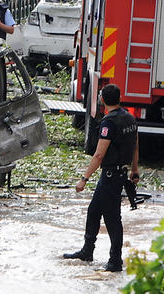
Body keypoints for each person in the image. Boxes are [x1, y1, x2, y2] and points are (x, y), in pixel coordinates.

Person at [63, 84, 139, 272]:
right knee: (94, 211)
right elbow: (136, 146)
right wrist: (134, 170)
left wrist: (84, 178)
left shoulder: (109, 123)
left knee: (112, 218)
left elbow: (99, 155)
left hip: (111, 175)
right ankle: (87, 251)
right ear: (119, 98)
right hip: (119, 173)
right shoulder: (129, 118)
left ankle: (115, 260)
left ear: (103, 100)